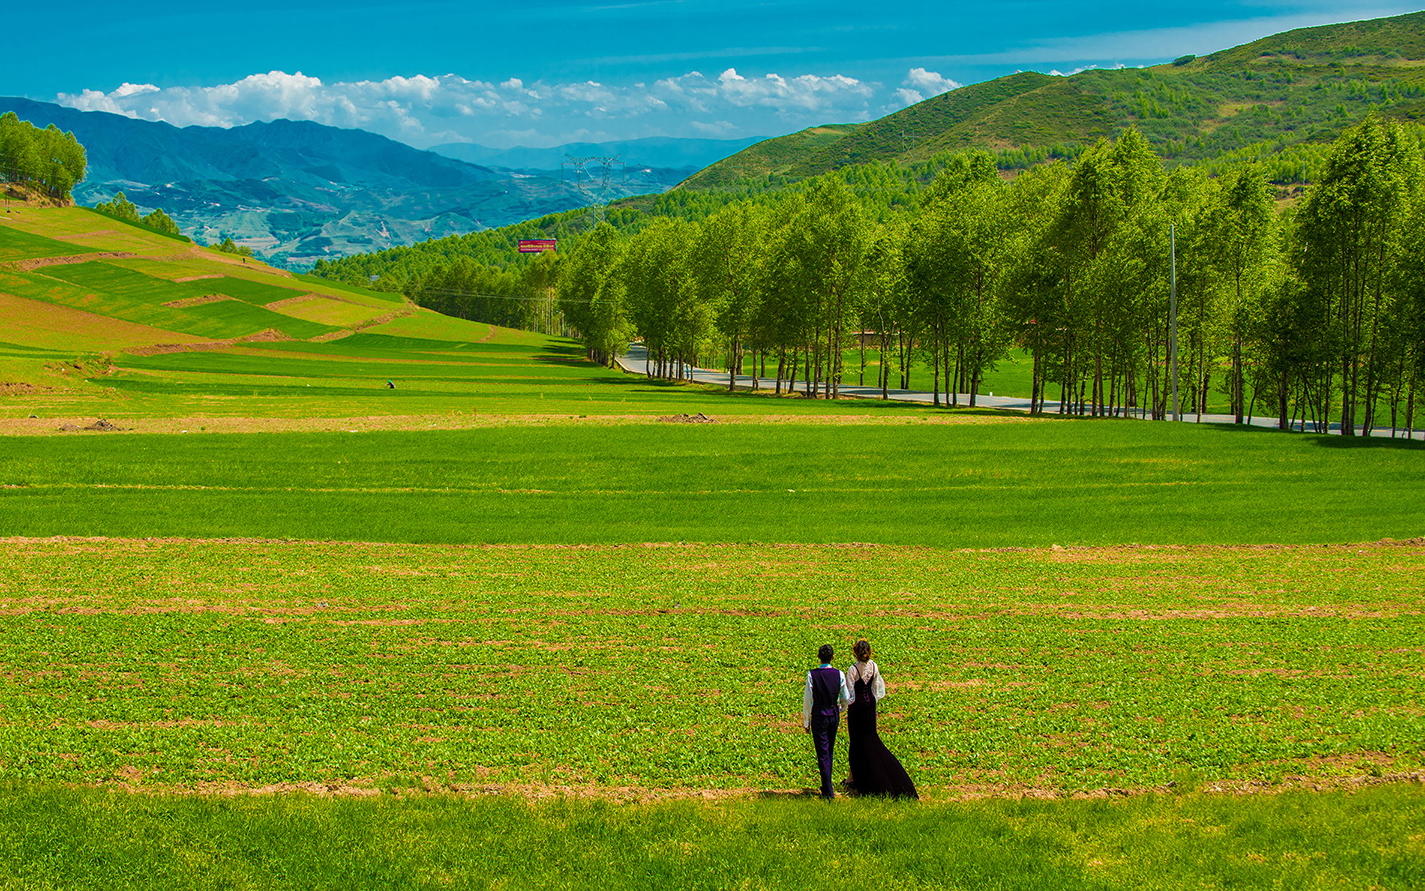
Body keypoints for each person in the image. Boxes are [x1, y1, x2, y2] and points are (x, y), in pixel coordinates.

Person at [844, 639, 918, 799]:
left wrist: (845, 707)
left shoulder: (853, 669)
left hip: (857, 709)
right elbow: (878, 689)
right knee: (871, 740)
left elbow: (849, 693)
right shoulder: (874, 666)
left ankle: (855, 779)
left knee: (856, 742)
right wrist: (871, 701)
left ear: (855, 653)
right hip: (870, 707)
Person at [802, 643, 852, 799]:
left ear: (818, 657)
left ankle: (828, 790)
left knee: (822, 751)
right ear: (833, 657)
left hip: (819, 715)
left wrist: (806, 721)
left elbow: (808, 700)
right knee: (829, 749)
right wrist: (841, 709)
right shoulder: (839, 674)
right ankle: (826, 785)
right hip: (833, 714)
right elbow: (845, 697)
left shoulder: (812, 675)